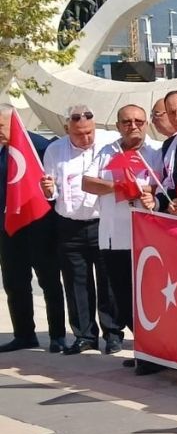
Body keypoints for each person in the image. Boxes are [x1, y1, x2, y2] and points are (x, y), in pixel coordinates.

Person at [80, 104, 165, 354]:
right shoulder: (108, 151)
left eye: (138, 121)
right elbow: (88, 182)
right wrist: (119, 187)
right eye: (127, 122)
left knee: (149, 298)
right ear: (118, 126)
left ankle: (152, 348)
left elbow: (163, 188)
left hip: (146, 238)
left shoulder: (157, 151)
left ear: (146, 123)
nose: (133, 126)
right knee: (121, 296)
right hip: (113, 236)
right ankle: (140, 345)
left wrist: (137, 188)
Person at [40, 105, 122, 355]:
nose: (85, 138)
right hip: (69, 224)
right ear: (67, 129)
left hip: (102, 222)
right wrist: (48, 189)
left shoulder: (110, 144)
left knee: (108, 281)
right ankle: (84, 335)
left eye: (89, 132)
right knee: (76, 283)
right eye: (79, 134)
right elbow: (53, 189)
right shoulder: (55, 150)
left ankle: (113, 333)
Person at [0, 105, 67, 353]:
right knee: (14, 282)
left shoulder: (39, 146)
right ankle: (24, 334)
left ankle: (58, 335)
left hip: (40, 225)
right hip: (9, 227)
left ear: (15, 122)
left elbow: (54, 186)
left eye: (1, 126)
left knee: (49, 281)